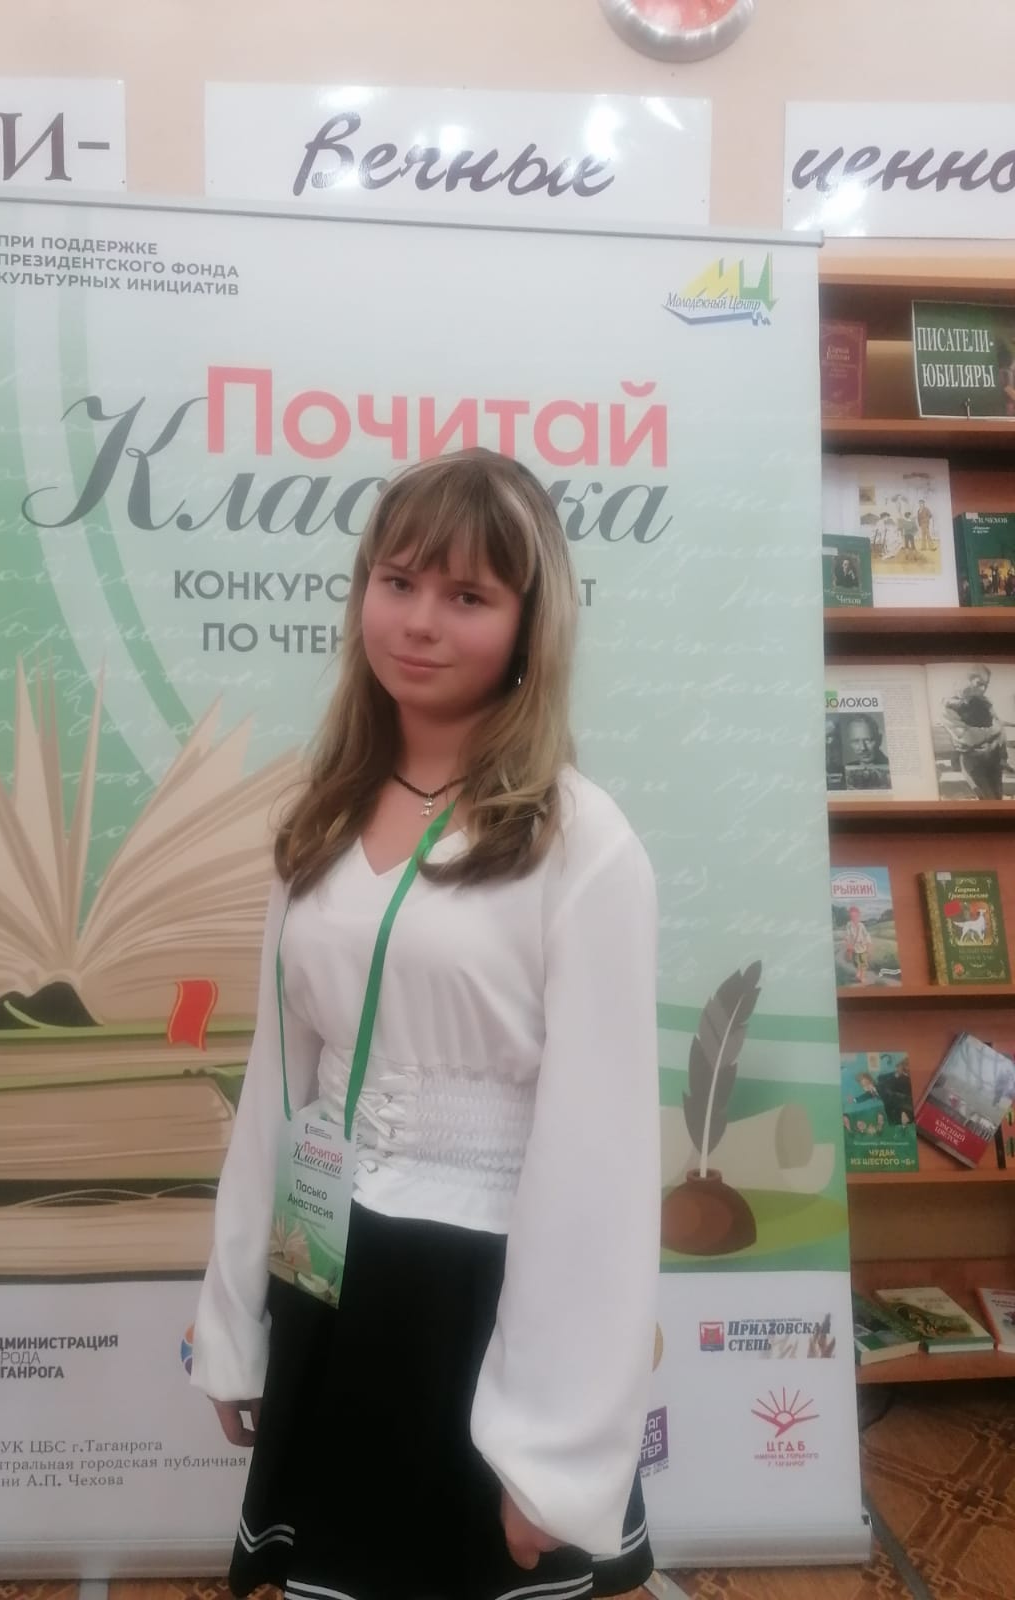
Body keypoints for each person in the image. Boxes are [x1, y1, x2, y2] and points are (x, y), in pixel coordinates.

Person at [189, 447, 660, 1600]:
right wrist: (236, 1316)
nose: (419, 622)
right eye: (397, 581)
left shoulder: (582, 844)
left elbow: (599, 1166)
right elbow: (279, 1084)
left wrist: (551, 1449)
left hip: (484, 1294)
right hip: (333, 1269)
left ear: (530, 622)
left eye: (468, 595)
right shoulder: (319, 816)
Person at [940, 666, 1011, 800]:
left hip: (994, 759)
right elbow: (967, 738)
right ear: (966, 680)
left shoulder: (985, 702)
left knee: (997, 799)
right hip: (972, 761)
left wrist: (1003, 756)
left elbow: (1000, 728)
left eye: (986, 685)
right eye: (979, 683)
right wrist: (994, 730)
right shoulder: (948, 706)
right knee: (988, 800)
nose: (983, 689)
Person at [843, 905, 872, 984]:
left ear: (858, 915)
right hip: (854, 948)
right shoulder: (849, 925)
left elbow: (866, 934)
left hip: (862, 947)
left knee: (863, 962)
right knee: (856, 962)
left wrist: (868, 944)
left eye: (855, 916)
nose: (854, 918)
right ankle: (858, 971)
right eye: (852, 916)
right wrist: (848, 944)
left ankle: (862, 976)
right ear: (850, 916)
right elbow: (847, 935)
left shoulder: (861, 925)